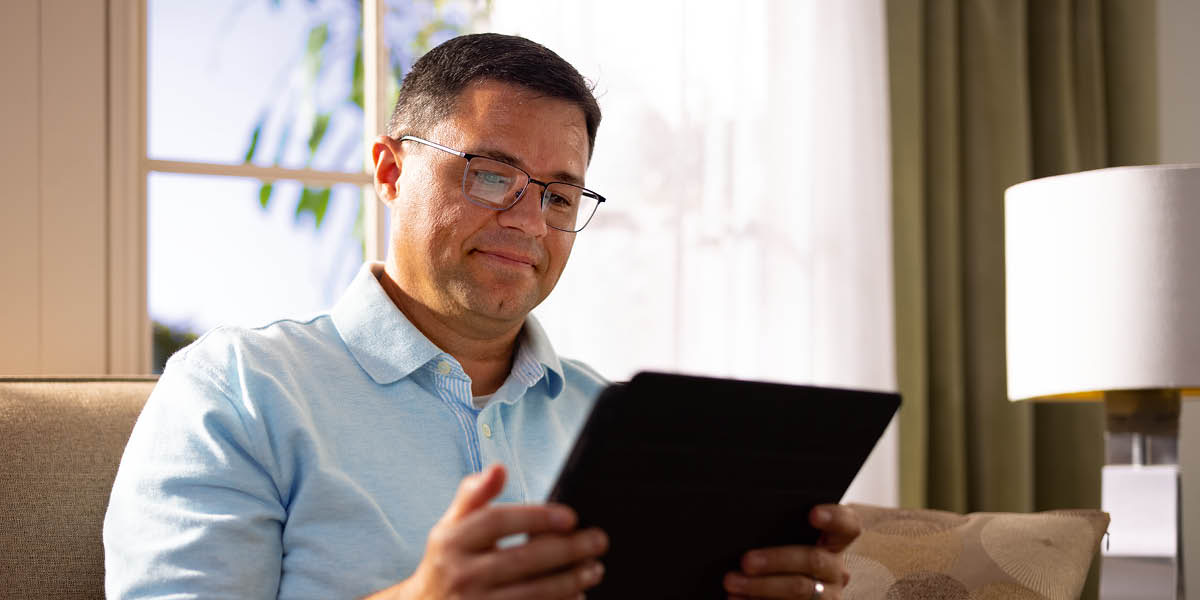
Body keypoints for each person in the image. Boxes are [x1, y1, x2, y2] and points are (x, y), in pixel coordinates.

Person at [104, 33, 859, 600]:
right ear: (391, 171)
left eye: (559, 195)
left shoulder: (621, 421)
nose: (528, 221)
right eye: (492, 174)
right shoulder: (235, 390)